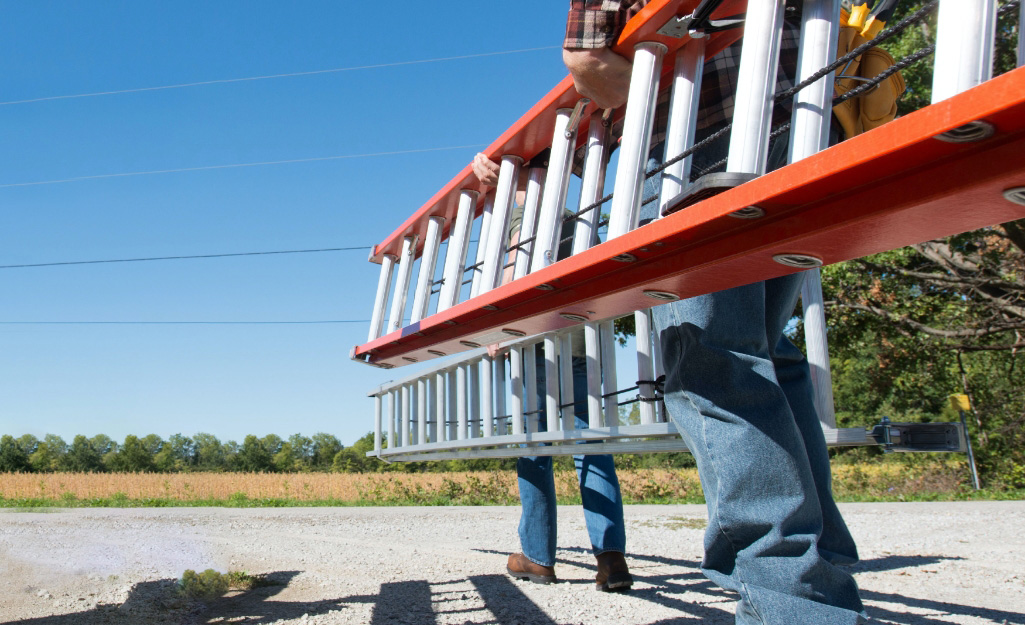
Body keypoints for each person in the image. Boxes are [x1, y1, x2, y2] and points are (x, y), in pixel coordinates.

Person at [561, 1, 869, 623]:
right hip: (806, 126)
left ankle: (795, 600)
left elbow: (589, 57)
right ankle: (824, 561)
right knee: (772, 358)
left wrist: (612, 92)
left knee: (713, 361)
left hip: (704, 147)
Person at [471, 153, 634, 592]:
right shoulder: (575, 217)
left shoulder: (525, 213)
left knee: (534, 449)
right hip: (583, 343)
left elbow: (518, 261)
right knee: (592, 446)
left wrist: (498, 325)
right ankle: (611, 558)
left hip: (535, 345)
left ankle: (539, 557)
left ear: (522, 175)